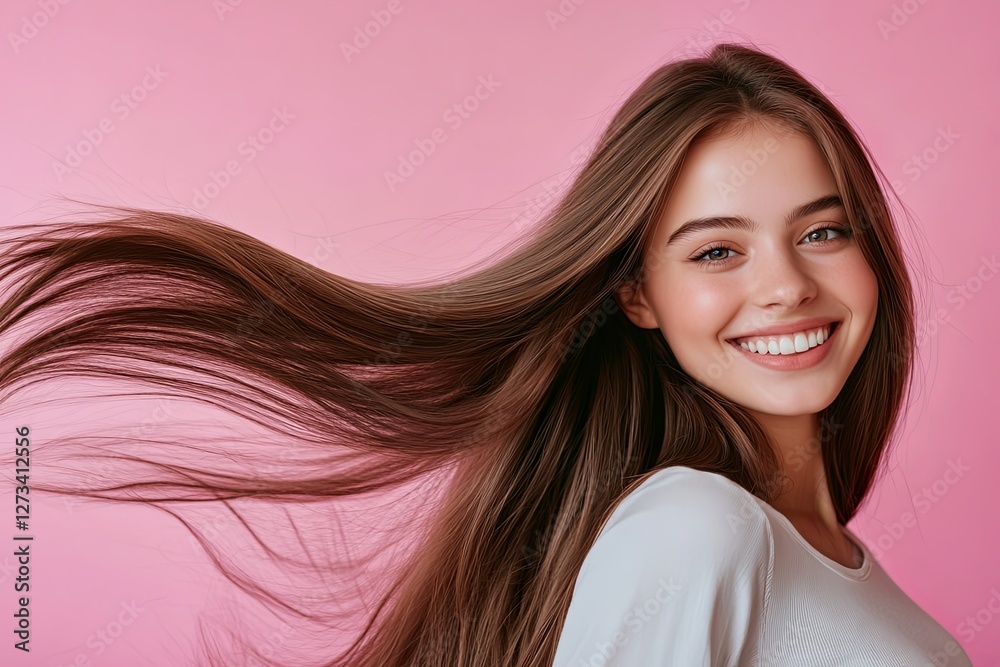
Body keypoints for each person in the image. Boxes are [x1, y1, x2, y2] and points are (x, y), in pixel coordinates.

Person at [0, 43, 972, 666]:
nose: (786, 286)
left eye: (822, 232)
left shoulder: (823, 559)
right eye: (717, 251)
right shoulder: (700, 529)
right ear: (636, 294)